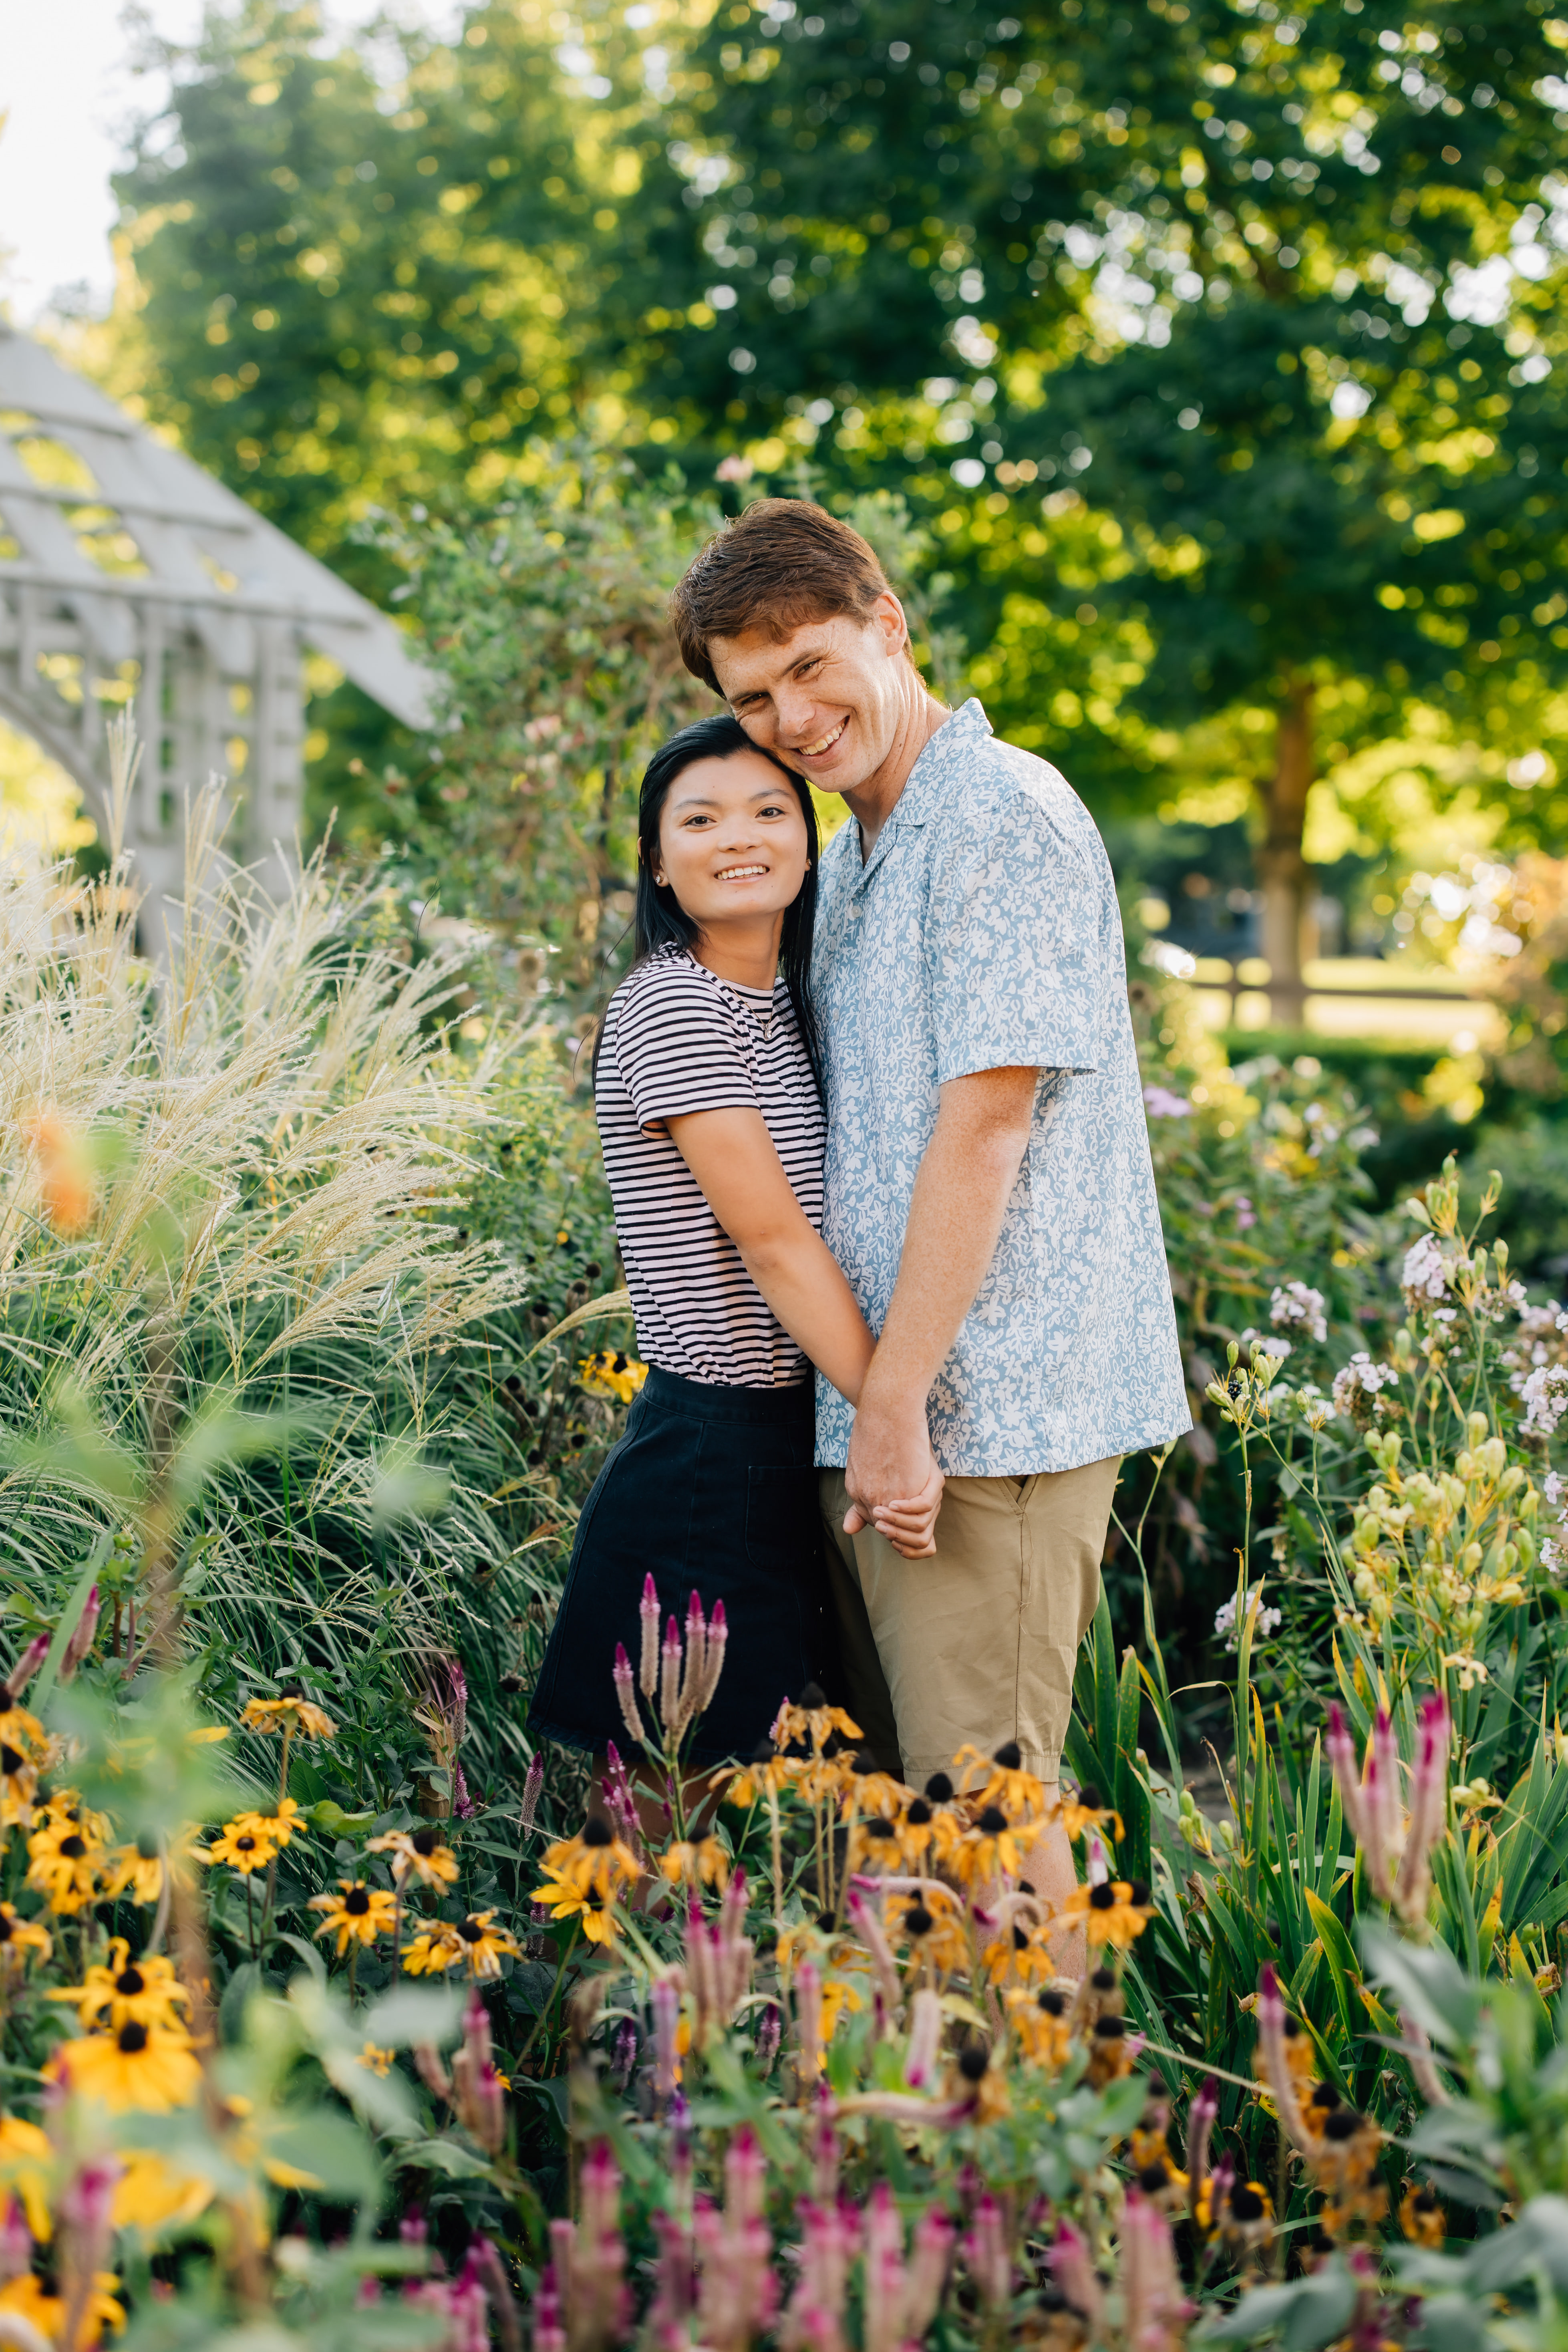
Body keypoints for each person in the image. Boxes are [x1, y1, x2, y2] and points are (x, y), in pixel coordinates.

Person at [670, 501, 1191, 1951]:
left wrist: (895, 1404)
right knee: (918, 1843)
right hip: (890, 1416)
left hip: (984, 1417)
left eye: (810, 666)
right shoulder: (852, 847)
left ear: (887, 624)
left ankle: (1064, 2103)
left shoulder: (998, 817)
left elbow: (986, 1127)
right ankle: (952, 2102)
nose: (790, 719)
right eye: (752, 699)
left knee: (992, 1838)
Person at [527, 713, 943, 1774]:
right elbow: (773, 1244)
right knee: (665, 1797)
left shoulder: (782, 1004)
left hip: (793, 1437)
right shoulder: (673, 1003)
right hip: (713, 1455)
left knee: (777, 1793)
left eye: (768, 811)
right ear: (658, 863)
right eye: (701, 820)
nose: (739, 838)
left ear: (809, 849)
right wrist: (894, 1421)